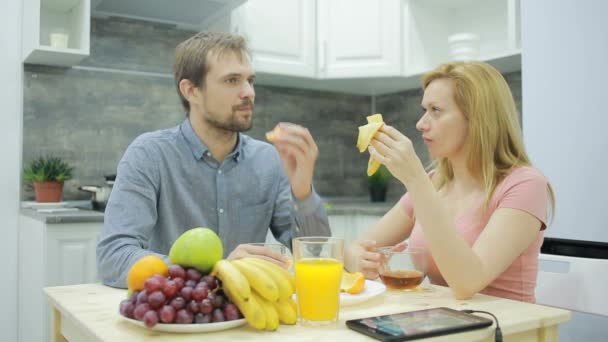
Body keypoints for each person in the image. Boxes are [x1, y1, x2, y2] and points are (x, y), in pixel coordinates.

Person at [97, 31, 330, 288]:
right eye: (232, 80)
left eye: (250, 80)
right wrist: (214, 272)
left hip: (249, 316)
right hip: (175, 317)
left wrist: (303, 192)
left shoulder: (268, 160)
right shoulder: (149, 155)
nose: (248, 92)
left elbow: (317, 255)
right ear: (191, 91)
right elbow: (113, 257)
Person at [345, 61, 554, 303]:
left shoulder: (525, 185)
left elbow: (466, 284)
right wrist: (359, 261)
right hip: (444, 322)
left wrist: (415, 179)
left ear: (477, 118)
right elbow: (356, 247)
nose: (421, 124)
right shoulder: (436, 182)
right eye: (424, 110)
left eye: (436, 110)